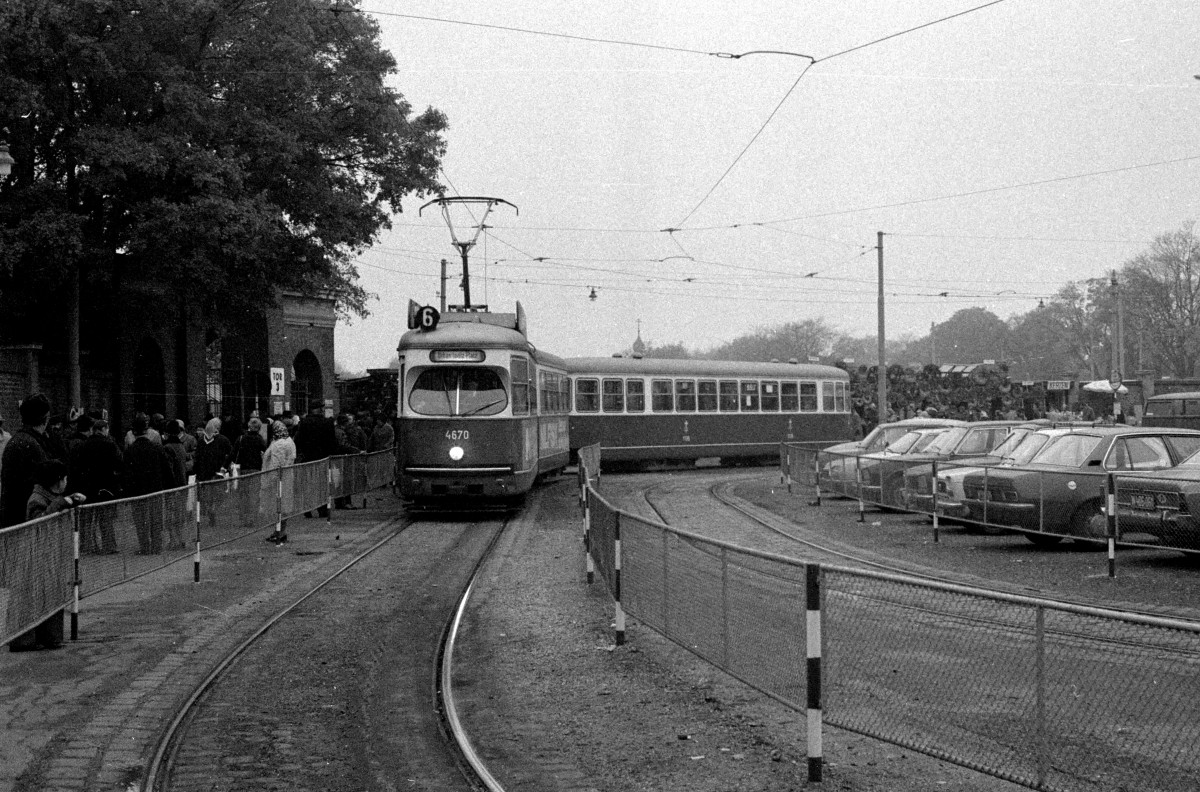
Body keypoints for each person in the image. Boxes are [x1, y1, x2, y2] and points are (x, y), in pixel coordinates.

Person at [123, 413, 176, 554]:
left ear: (134, 432)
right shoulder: (157, 448)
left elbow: (126, 474)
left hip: (138, 492)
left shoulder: (130, 451)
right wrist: (171, 487)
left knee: (140, 521)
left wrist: (127, 493)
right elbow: (167, 470)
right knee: (156, 518)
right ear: (147, 431)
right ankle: (157, 545)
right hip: (155, 490)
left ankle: (144, 546)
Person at [0, 393, 54, 528]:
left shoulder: (14, 441)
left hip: (12, 519)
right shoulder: (34, 446)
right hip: (28, 521)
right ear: (46, 418)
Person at [71, 418, 123, 553]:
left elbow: (79, 465)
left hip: (89, 485)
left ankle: (87, 545)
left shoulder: (84, 444)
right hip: (107, 485)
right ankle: (109, 546)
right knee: (106, 517)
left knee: (88, 517)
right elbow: (119, 462)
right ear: (103, 429)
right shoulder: (110, 444)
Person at [294, 405, 337, 518]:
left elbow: (298, 439)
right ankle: (322, 509)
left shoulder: (304, 422)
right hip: (323, 457)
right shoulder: (327, 422)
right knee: (322, 484)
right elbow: (332, 441)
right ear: (319, 410)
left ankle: (307, 508)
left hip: (308, 457)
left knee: (308, 483)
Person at [194, 418, 233, 529]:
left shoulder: (201, 440)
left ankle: (210, 511)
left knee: (207, 496)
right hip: (217, 473)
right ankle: (212, 511)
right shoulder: (223, 440)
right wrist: (225, 467)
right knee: (216, 496)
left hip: (204, 474)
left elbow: (197, 457)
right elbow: (230, 454)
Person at [262, 420, 297, 543]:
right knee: (284, 506)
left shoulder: (278, 444)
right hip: (287, 477)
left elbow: (277, 464)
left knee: (278, 506)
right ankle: (281, 531)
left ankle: (279, 533)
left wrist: (270, 481)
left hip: (278, 479)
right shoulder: (289, 441)